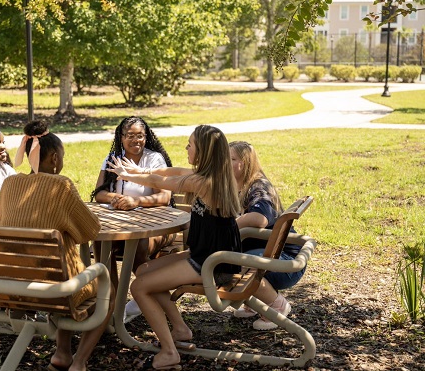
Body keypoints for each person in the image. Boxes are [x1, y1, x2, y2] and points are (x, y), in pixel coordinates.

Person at [108, 125, 241, 371]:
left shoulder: (204, 182)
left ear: (203, 152)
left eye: (190, 145)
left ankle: (169, 352)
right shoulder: (209, 175)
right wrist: (139, 169)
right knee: (145, 270)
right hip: (204, 256)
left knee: (139, 287)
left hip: (211, 264)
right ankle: (180, 329)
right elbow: (168, 170)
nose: (186, 148)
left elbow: (162, 181)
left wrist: (128, 175)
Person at [0, 120, 115, 371]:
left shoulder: (9, 185)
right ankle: (79, 361)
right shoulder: (60, 185)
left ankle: (62, 354)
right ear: (53, 158)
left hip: (11, 285)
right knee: (109, 288)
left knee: (61, 268)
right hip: (56, 288)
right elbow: (89, 232)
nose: (61, 161)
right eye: (61, 156)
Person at [90, 116, 174, 323]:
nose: (136, 140)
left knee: (138, 245)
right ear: (121, 137)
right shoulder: (112, 158)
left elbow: (164, 197)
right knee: (101, 244)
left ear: (146, 137)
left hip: (158, 227)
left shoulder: (154, 159)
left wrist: (135, 201)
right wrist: (117, 199)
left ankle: (144, 295)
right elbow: (99, 193)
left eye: (140, 136)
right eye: (130, 136)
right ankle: (111, 301)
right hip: (120, 225)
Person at [229, 141, 306, 330]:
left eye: (231, 159)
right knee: (232, 257)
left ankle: (277, 306)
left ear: (246, 163)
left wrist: (229, 226)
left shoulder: (258, 187)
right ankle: (254, 303)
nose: (225, 163)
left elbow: (260, 218)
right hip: (271, 254)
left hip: (284, 262)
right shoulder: (238, 185)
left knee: (233, 263)